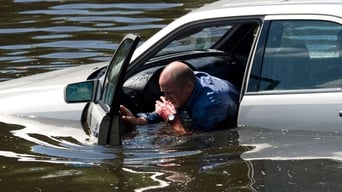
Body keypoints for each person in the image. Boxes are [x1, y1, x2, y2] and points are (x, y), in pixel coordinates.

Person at [120, 61, 239, 135]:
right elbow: (166, 109)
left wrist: (173, 119)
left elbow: (194, 141)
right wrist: (139, 120)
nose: (166, 98)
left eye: (169, 93)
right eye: (164, 93)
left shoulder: (209, 103)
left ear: (189, 86)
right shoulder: (188, 83)